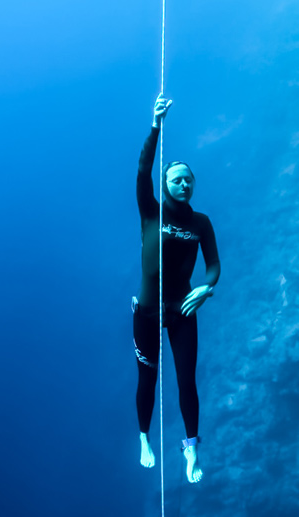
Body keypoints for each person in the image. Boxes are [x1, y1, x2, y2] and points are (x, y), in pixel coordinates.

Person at [133, 93, 220, 484]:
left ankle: (191, 450)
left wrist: (206, 288)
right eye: (176, 179)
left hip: (183, 310)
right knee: (147, 379)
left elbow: (214, 266)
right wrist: (155, 126)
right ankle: (144, 439)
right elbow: (141, 171)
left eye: (189, 179)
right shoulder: (152, 211)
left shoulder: (201, 222)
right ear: (166, 184)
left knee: (187, 380)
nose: (183, 184)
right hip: (147, 312)